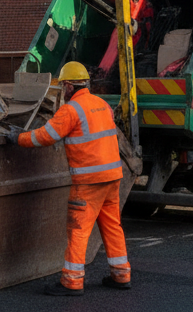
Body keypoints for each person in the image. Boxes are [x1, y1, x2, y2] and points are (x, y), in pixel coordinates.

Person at [10, 61, 130, 296]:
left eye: (62, 87)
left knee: (78, 230)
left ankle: (72, 282)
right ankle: (121, 275)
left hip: (88, 182)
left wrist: (19, 138)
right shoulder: (103, 105)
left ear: (67, 86)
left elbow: (46, 136)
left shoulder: (71, 110)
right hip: (112, 177)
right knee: (112, 226)